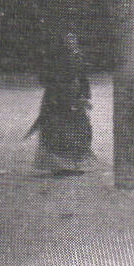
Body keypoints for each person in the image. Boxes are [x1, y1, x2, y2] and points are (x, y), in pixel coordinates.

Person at [28, 31, 94, 174]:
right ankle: (58, 165)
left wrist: (85, 95)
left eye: (73, 38)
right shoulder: (54, 57)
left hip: (75, 96)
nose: (70, 41)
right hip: (56, 98)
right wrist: (56, 87)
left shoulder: (79, 56)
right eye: (67, 38)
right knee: (57, 130)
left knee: (79, 129)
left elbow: (83, 76)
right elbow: (44, 77)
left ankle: (75, 163)